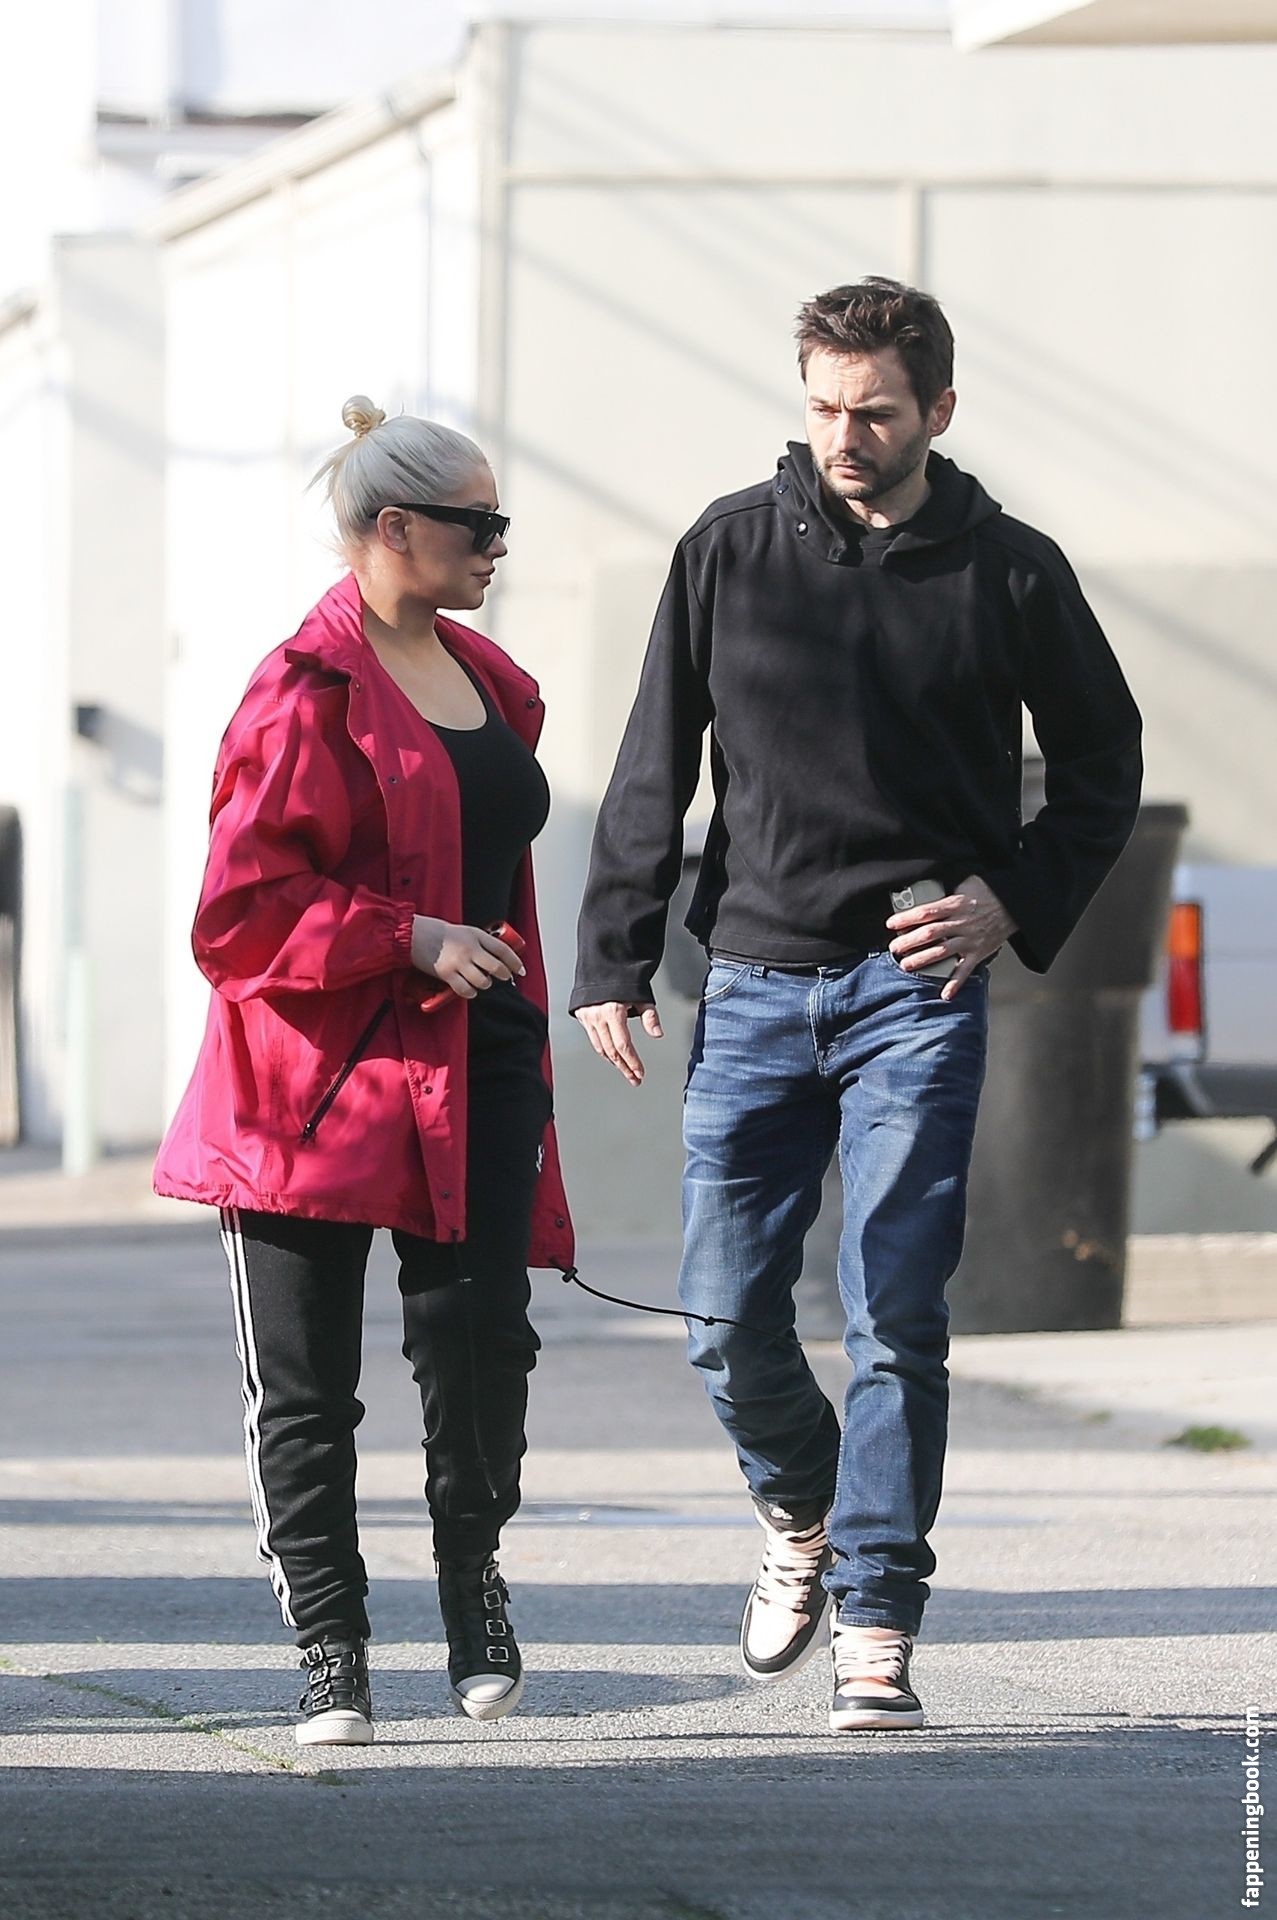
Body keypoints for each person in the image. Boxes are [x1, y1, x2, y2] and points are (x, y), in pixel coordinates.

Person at [571, 279, 1142, 1732]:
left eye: (874, 412)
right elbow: (653, 764)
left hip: (916, 991)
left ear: (936, 411)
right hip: (753, 981)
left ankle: (878, 1614)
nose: (844, 434)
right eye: (823, 406)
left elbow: (1104, 764)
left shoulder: (1011, 572)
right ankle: (805, 1509)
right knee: (722, 1317)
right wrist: (613, 954)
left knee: (894, 1312)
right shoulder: (727, 551)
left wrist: (1010, 899)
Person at [155, 396, 574, 1745]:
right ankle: (331, 1645)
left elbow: (493, 865)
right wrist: (408, 936)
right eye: (478, 523)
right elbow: (238, 913)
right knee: (307, 1383)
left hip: (477, 1060)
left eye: (501, 521)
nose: (497, 545)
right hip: (312, 1081)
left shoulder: (494, 683)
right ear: (394, 528)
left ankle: (472, 1582)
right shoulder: (302, 692)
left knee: (480, 1341)